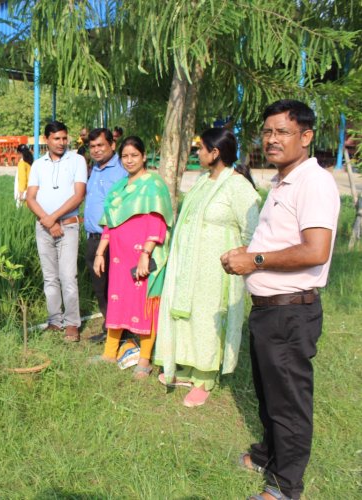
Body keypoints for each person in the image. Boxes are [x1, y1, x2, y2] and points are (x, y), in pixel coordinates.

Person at [221, 100, 340, 500]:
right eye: (267, 131)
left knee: (288, 401)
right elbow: (281, 240)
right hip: (270, 310)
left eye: (283, 132)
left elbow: (315, 250)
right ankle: (268, 455)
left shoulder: (314, 182)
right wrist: (248, 252)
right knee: (270, 392)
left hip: (291, 311)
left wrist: (254, 260)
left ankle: (286, 487)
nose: (271, 140)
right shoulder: (282, 181)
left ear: (306, 137)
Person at [154, 127, 260, 407]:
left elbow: (253, 232)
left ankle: (206, 376)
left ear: (215, 153)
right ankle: (188, 367)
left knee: (207, 318)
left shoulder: (237, 186)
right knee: (188, 315)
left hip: (217, 269)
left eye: (201, 148)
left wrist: (242, 262)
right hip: (191, 264)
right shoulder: (203, 181)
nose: (197, 152)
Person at [90, 136, 172, 378]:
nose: (129, 160)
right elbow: (109, 224)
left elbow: (157, 221)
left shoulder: (154, 184)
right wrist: (100, 253)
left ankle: (145, 359)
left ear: (144, 156)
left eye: (134, 155)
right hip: (118, 257)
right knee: (117, 300)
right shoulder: (119, 187)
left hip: (142, 256)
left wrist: (146, 253)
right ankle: (109, 353)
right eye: (125, 156)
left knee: (144, 303)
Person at [26, 121, 87, 342]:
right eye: (56, 139)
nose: (61, 143)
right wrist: (48, 220)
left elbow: (78, 195)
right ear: (47, 140)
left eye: (64, 138)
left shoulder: (77, 160)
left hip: (68, 225)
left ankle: (72, 323)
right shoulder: (38, 164)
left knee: (68, 275)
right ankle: (54, 320)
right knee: (50, 277)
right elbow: (30, 197)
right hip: (43, 227)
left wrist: (54, 218)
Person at [82, 128, 126, 343]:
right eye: (92, 147)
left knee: (116, 287)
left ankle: (120, 332)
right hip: (93, 238)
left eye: (101, 145)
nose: (97, 150)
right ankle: (109, 327)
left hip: (113, 239)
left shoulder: (122, 169)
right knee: (101, 288)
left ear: (112, 145)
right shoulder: (95, 170)